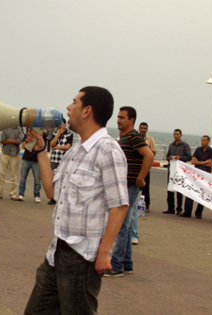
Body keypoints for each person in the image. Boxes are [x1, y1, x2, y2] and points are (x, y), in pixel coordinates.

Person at [23, 86, 129, 314]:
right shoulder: (76, 150)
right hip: (57, 252)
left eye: (74, 102)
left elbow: (119, 205)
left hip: (83, 258)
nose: (68, 108)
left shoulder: (108, 150)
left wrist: (104, 252)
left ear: (87, 111)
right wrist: (41, 151)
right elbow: (52, 191)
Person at [106, 106, 153, 274]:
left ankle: (116, 265)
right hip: (124, 186)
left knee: (120, 226)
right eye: (117, 117)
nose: (118, 120)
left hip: (129, 186)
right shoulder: (124, 138)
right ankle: (126, 262)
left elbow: (149, 155)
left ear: (131, 120)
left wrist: (140, 178)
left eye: (122, 117)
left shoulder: (134, 137)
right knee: (124, 225)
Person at [180, 135, 212, 219]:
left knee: (202, 194)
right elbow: (193, 161)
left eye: (204, 140)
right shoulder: (198, 150)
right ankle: (187, 212)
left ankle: (199, 213)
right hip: (195, 175)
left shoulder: (211, 151)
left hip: (205, 176)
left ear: (208, 141)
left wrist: (199, 162)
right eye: (201, 140)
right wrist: (203, 162)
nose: (202, 142)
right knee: (190, 192)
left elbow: (209, 163)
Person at [164, 129, 192, 215]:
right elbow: (167, 155)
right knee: (170, 189)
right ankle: (170, 208)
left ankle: (179, 208)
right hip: (171, 170)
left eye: (178, 134)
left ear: (181, 135)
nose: (176, 136)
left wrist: (180, 158)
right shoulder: (171, 145)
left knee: (179, 190)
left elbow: (189, 157)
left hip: (180, 171)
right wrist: (169, 157)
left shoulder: (185, 146)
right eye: (175, 134)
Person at [47, 118, 73, 204]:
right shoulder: (55, 133)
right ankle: (53, 197)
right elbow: (51, 144)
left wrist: (57, 147)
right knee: (53, 178)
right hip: (54, 158)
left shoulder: (69, 134)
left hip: (63, 159)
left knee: (62, 178)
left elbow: (67, 147)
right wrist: (58, 134)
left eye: (62, 124)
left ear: (65, 124)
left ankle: (61, 197)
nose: (60, 125)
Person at [17, 128, 45, 203]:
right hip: (26, 158)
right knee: (23, 178)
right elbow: (23, 146)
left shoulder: (40, 136)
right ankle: (21, 194)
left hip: (36, 160)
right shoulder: (27, 135)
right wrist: (27, 140)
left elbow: (42, 146)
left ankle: (37, 195)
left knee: (37, 180)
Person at [0, 127, 23, 200]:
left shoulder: (19, 129)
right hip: (5, 153)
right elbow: (2, 141)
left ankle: (12, 194)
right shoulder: (5, 128)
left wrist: (8, 140)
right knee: (1, 173)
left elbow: (19, 141)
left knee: (13, 175)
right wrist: (14, 141)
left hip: (15, 154)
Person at [139, 122, 156, 213]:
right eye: (141, 128)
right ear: (139, 128)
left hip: (145, 167)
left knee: (145, 187)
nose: (143, 130)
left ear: (147, 129)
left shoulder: (150, 140)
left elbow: (153, 152)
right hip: (136, 166)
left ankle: (146, 205)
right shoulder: (136, 138)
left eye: (145, 128)